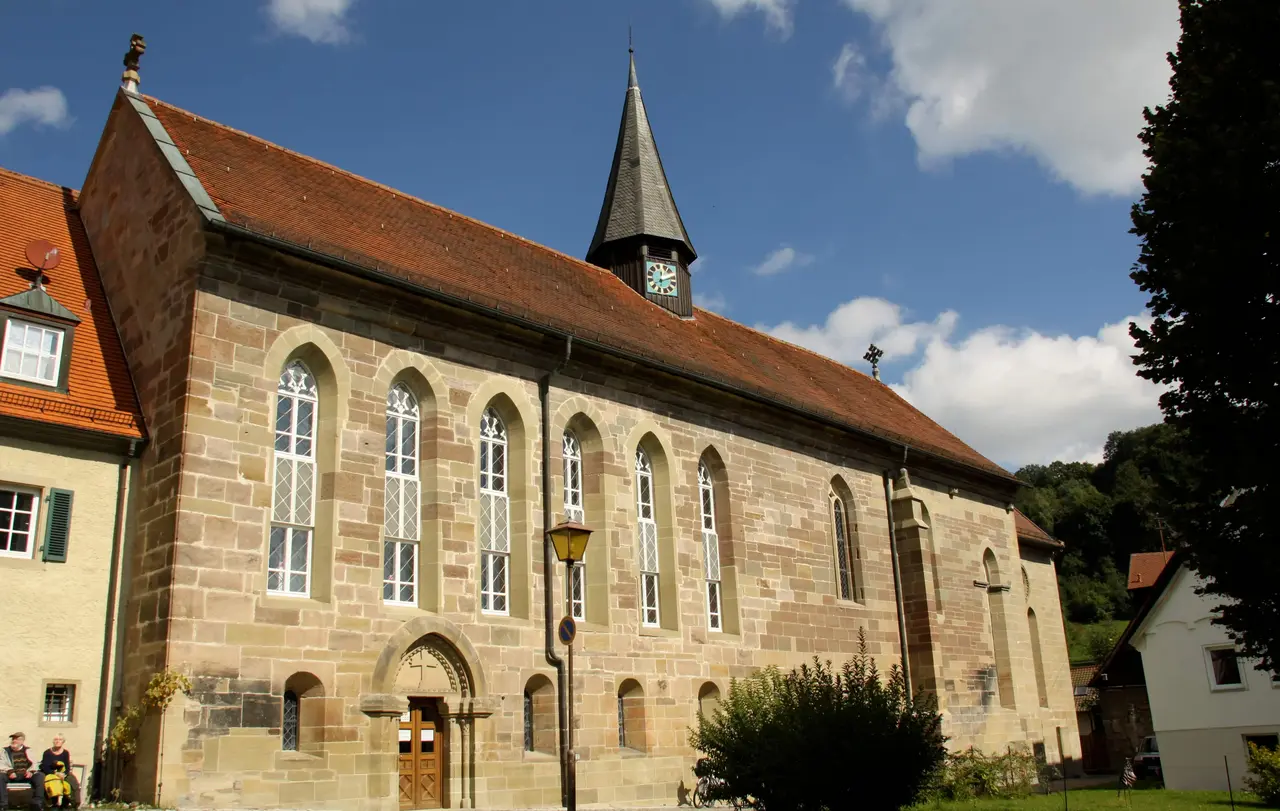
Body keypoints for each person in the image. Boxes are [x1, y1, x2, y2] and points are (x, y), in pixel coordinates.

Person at [0, 731, 43, 809]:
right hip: (12, 775)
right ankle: (3, 805)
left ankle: (37, 804)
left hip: (25, 775)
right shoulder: (5, 751)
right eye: (13, 739)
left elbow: (35, 763)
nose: (14, 741)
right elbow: (1, 763)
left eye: (17, 739)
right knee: (0, 777)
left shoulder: (28, 750)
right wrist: (10, 771)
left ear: (22, 741)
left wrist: (31, 771)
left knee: (40, 776)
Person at [39, 738, 72, 808]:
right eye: (55, 739)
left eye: (60, 740)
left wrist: (64, 774)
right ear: (53, 741)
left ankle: (71, 804)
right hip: (50, 773)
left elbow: (67, 766)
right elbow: (44, 766)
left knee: (72, 781)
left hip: (63, 773)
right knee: (54, 782)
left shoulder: (66, 753)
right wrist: (55, 773)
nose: (57, 741)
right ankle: (54, 804)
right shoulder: (47, 753)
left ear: (63, 742)